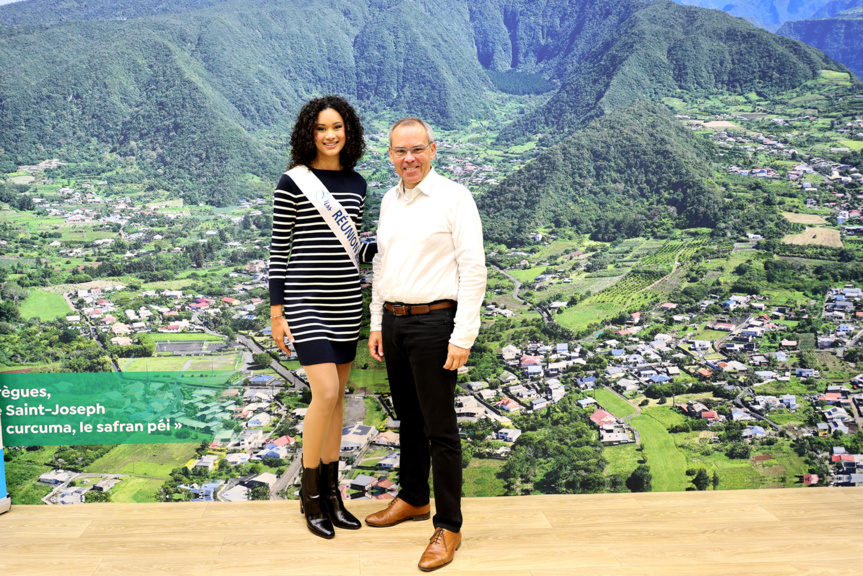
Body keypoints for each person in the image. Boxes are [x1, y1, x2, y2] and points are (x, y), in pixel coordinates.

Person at [366, 117, 487, 571]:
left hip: (436, 323)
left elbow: (474, 270)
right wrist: (378, 324)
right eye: (400, 151)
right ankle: (413, 498)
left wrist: (463, 335)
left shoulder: (455, 197)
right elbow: (382, 267)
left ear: (432, 150)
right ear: (390, 155)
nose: (409, 159)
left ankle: (449, 526)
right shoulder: (388, 201)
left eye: (417, 150)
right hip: (396, 323)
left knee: (440, 428)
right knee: (409, 419)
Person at [269, 95, 376, 539]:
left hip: (348, 301)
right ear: (308, 134)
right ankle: (309, 496)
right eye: (320, 128)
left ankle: (333, 496)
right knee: (325, 392)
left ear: (347, 131)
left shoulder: (357, 184)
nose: (329, 135)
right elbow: (279, 252)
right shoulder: (293, 182)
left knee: (338, 403)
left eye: (336, 127)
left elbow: (359, 249)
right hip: (306, 302)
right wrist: (277, 313)